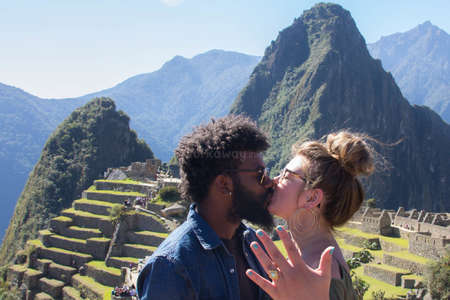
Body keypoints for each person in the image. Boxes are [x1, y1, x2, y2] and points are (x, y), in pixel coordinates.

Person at [137, 115, 333, 300]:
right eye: (260, 175)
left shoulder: (254, 244)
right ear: (224, 184)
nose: (270, 183)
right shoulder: (171, 267)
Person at [246, 131, 375, 300]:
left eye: (286, 175)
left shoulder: (318, 273)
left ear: (311, 197)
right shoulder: (313, 262)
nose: (275, 180)